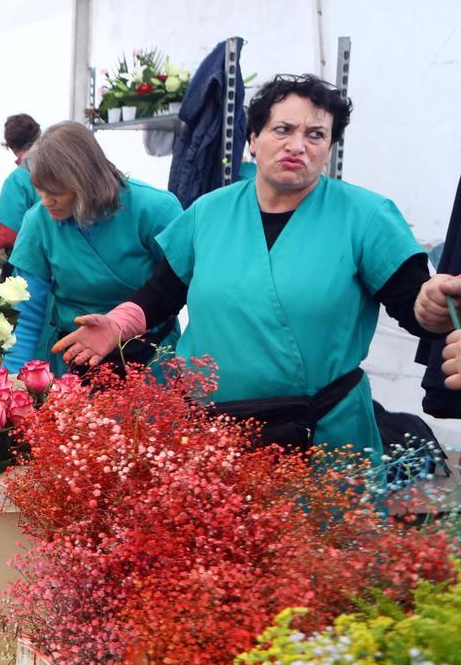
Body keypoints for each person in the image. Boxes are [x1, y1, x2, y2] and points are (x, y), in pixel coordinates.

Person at [55, 74, 459, 456]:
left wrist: (433, 306)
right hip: (214, 435)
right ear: (253, 139)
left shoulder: (366, 217)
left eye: (315, 134)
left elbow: (415, 311)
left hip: (323, 438)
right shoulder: (209, 213)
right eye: (283, 130)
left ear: (329, 147)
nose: (298, 145)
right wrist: (117, 324)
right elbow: (163, 292)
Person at [2, 122, 182, 377]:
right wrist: (13, 381)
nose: (45, 200)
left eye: (56, 191)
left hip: (151, 357)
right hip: (77, 363)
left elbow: (183, 284)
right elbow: (28, 316)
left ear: (86, 183)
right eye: (39, 188)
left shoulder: (155, 209)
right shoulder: (39, 221)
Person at [0, 114, 41, 251]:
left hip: (33, 265)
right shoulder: (62, 168)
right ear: (39, 136)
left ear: (10, 145)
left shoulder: (18, 180)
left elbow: (9, 234)